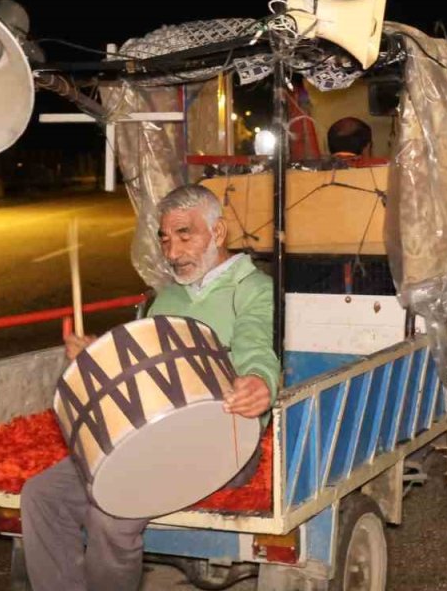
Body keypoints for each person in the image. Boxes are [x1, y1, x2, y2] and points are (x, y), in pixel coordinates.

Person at [20, 183, 280, 591]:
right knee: (41, 495)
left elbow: (256, 347)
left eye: (184, 235)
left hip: (219, 443)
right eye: (164, 238)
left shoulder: (254, 291)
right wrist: (97, 354)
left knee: (112, 514)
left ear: (217, 232)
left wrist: (259, 382)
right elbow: (144, 367)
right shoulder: (168, 297)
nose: (172, 252)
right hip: (150, 432)